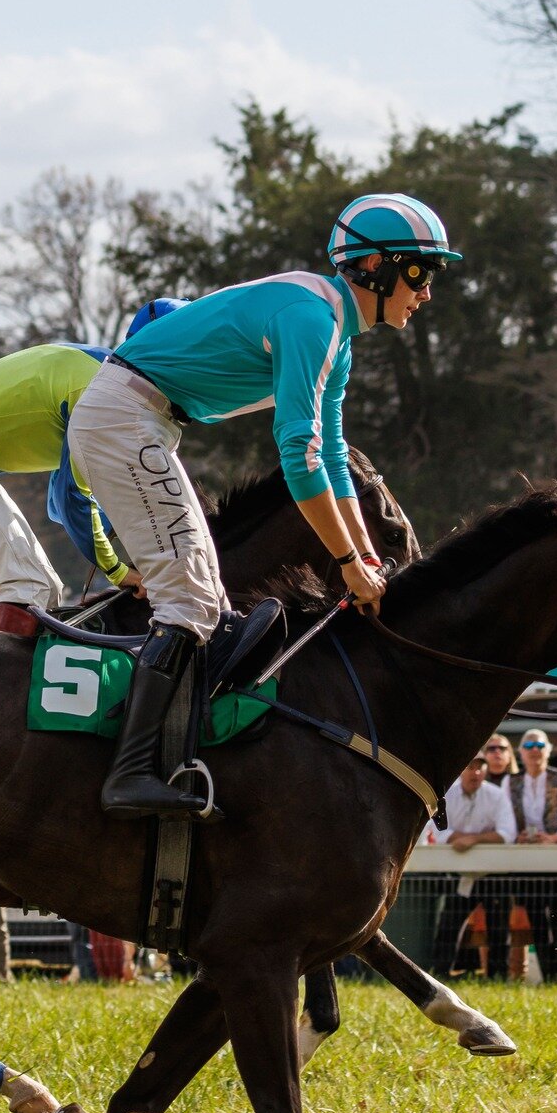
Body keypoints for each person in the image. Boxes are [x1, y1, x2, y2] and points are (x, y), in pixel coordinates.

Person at [69, 194, 456, 815]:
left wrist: (363, 556)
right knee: (192, 599)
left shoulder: (335, 332)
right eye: (420, 272)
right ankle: (129, 772)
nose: (427, 291)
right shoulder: (313, 320)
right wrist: (348, 561)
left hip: (138, 421)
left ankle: (163, 749)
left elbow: (332, 455)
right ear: (376, 266)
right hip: (124, 419)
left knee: (208, 596)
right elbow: (297, 454)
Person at [0, 321, 181, 636]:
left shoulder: (104, 370)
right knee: (25, 585)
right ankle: (0, 683)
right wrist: (117, 570)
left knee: (48, 592)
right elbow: (68, 496)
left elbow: (65, 499)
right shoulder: (101, 392)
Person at [420, 749, 517, 977]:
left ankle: (498, 977)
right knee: (449, 925)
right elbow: (436, 828)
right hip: (458, 873)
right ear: (461, 769)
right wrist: (458, 838)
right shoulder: (447, 795)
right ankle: (440, 974)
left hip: (492, 874)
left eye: (480, 767)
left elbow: (507, 832)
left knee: (499, 928)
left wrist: (471, 839)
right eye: (470, 766)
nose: (475, 772)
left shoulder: (496, 795)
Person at [505, 730, 557, 983]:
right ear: (521, 752)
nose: (534, 749)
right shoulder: (511, 782)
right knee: (536, 921)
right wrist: (518, 836)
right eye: (529, 744)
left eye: (539, 744)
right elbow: (506, 821)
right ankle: (548, 979)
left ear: (548, 749)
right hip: (526, 861)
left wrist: (554, 838)